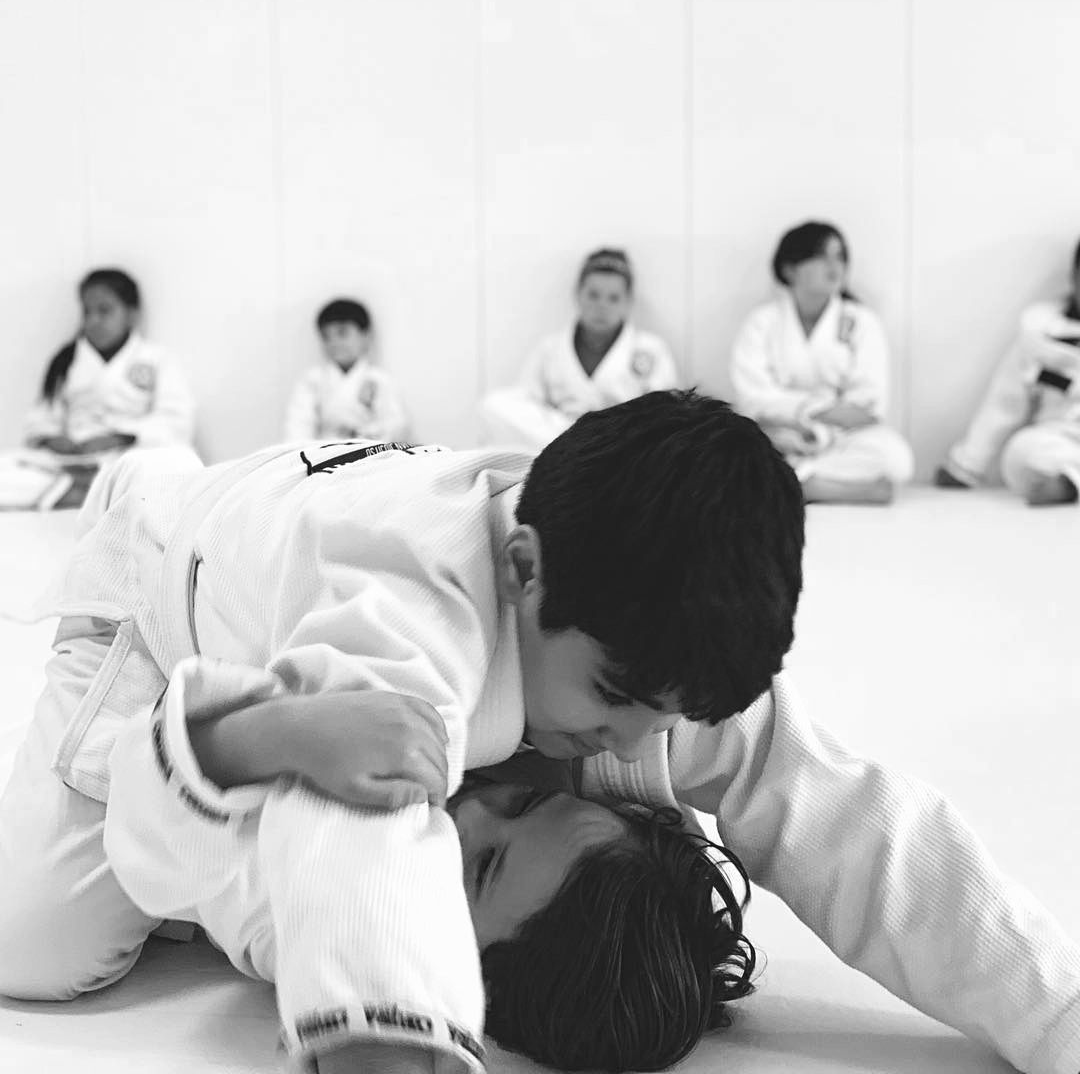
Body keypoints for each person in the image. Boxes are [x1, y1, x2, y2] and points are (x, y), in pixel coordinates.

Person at [0, 392, 1077, 1074]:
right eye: (615, 698)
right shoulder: (408, 628)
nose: (635, 739)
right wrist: (387, 1029)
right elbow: (365, 854)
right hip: (164, 585)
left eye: (670, 715)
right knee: (39, 945)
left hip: (317, 522)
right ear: (524, 571)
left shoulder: (650, 654)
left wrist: (1058, 1015)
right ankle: (151, 512)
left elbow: (865, 833)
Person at [731, 221, 914, 504]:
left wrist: (818, 431)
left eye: (840, 256)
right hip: (777, 435)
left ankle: (793, 483)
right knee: (734, 453)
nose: (834, 265)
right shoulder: (761, 323)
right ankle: (838, 490)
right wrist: (809, 413)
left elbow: (869, 404)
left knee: (896, 459)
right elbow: (753, 398)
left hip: (840, 439)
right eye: (821, 256)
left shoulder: (861, 321)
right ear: (789, 269)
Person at [0, 268, 194, 510]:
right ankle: (89, 495)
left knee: (184, 462)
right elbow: (40, 419)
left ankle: (85, 494)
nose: (92, 321)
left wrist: (118, 437)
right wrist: (52, 440)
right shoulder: (66, 360)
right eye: (87, 311)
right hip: (68, 463)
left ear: (131, 314)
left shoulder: (156, 359)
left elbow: (176, 422)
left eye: (104, 311)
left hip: (126, 459)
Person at [480, 248, 678, 450]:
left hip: (620, 444)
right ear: (577, 295)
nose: (602, 306)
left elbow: (665, 411)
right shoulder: (550, 348)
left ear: (628, 302)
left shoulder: (650, 348)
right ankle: (573, 449)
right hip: (563, 437)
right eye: (593, 295)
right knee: (493, 405)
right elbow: (528, 400)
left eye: (613, 298)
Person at [935, 239, 1080, 505]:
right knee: (1020, 452)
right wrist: (967, 464)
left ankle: (1070, 485)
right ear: (1074, 276)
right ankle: (1066, 482)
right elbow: (1005, 401)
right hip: (1059, 441)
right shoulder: (1041, 331)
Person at [284, 298, 408, 443]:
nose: (334, 343)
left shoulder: (379, 380)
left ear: (365, 335)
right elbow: (298, 426)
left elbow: (395, 425)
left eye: (342, 333)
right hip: (323, 458)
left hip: (371, 455)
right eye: (326, 336)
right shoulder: (312, 380)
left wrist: (362, 436)